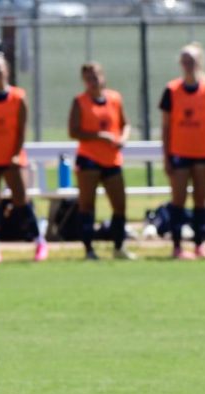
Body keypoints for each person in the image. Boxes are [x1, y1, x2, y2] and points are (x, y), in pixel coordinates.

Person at [0, 53, 47, 263]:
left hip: (11, 157)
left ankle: (39, 241)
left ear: (7, 70)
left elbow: (22, 130)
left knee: (21, 200)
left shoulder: (18, 97)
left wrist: (15, 154)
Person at [160, 42, 205, 260]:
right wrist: (166, 157)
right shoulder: (171, 90)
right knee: (178, 200)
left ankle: (199, 245)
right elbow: (166, 127)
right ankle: (177, 246)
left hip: (203, 154)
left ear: (199, 62)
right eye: (184, 60)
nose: (188, 64)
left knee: (200, 200)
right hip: (179, 153)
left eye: (192, 60)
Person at [68, 62, 133, 261]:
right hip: (89, 159)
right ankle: (88, 250)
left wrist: (123, 138)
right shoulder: (80, 102)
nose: (93, 80)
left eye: (95, 76)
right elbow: (74, 131)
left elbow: (125, 124)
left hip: (112, 159)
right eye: (88, 78)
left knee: (119, 205)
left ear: (102, 76)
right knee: (87, 205)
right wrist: (99, 136)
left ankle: (119, 247)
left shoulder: (114, 98)